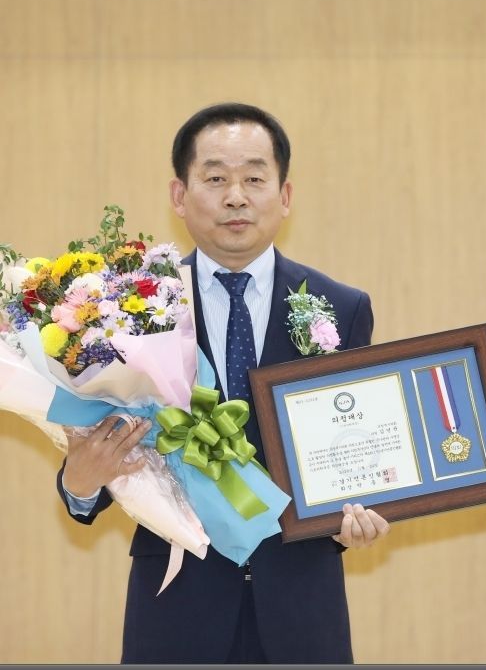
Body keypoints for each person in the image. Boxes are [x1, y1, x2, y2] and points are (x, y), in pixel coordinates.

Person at [58, 102, 390, 664]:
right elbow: (85, 478)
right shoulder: (128, 309)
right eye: (215, 178)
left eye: (255, 178)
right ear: (179, 196)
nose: (236, 195)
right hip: (175, 604)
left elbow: (352, 445)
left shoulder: (342, 306)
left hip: (301, 608)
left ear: (285, 196)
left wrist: (363, 513)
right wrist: (81, 482)